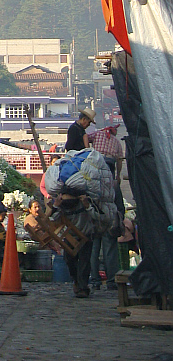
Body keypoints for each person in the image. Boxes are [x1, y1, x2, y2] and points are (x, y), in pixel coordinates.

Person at [87, 124, 124, 291]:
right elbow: (120, 206)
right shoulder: (114, 185)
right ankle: (111, 281)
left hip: (95, 219)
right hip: (108, 220)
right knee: (110, 250)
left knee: (94, 249)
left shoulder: (93, 184)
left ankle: (94, 280)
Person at [47, 193, 96, 298]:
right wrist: (56, 206)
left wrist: (87, 205)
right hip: (70, 236)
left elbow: (96, 215)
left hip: (85, 234)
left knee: (84, 262)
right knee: (69, 260)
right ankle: (77, 281)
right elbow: (52, 219)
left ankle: (83, 287)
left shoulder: (83, 204)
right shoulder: (62, 206)